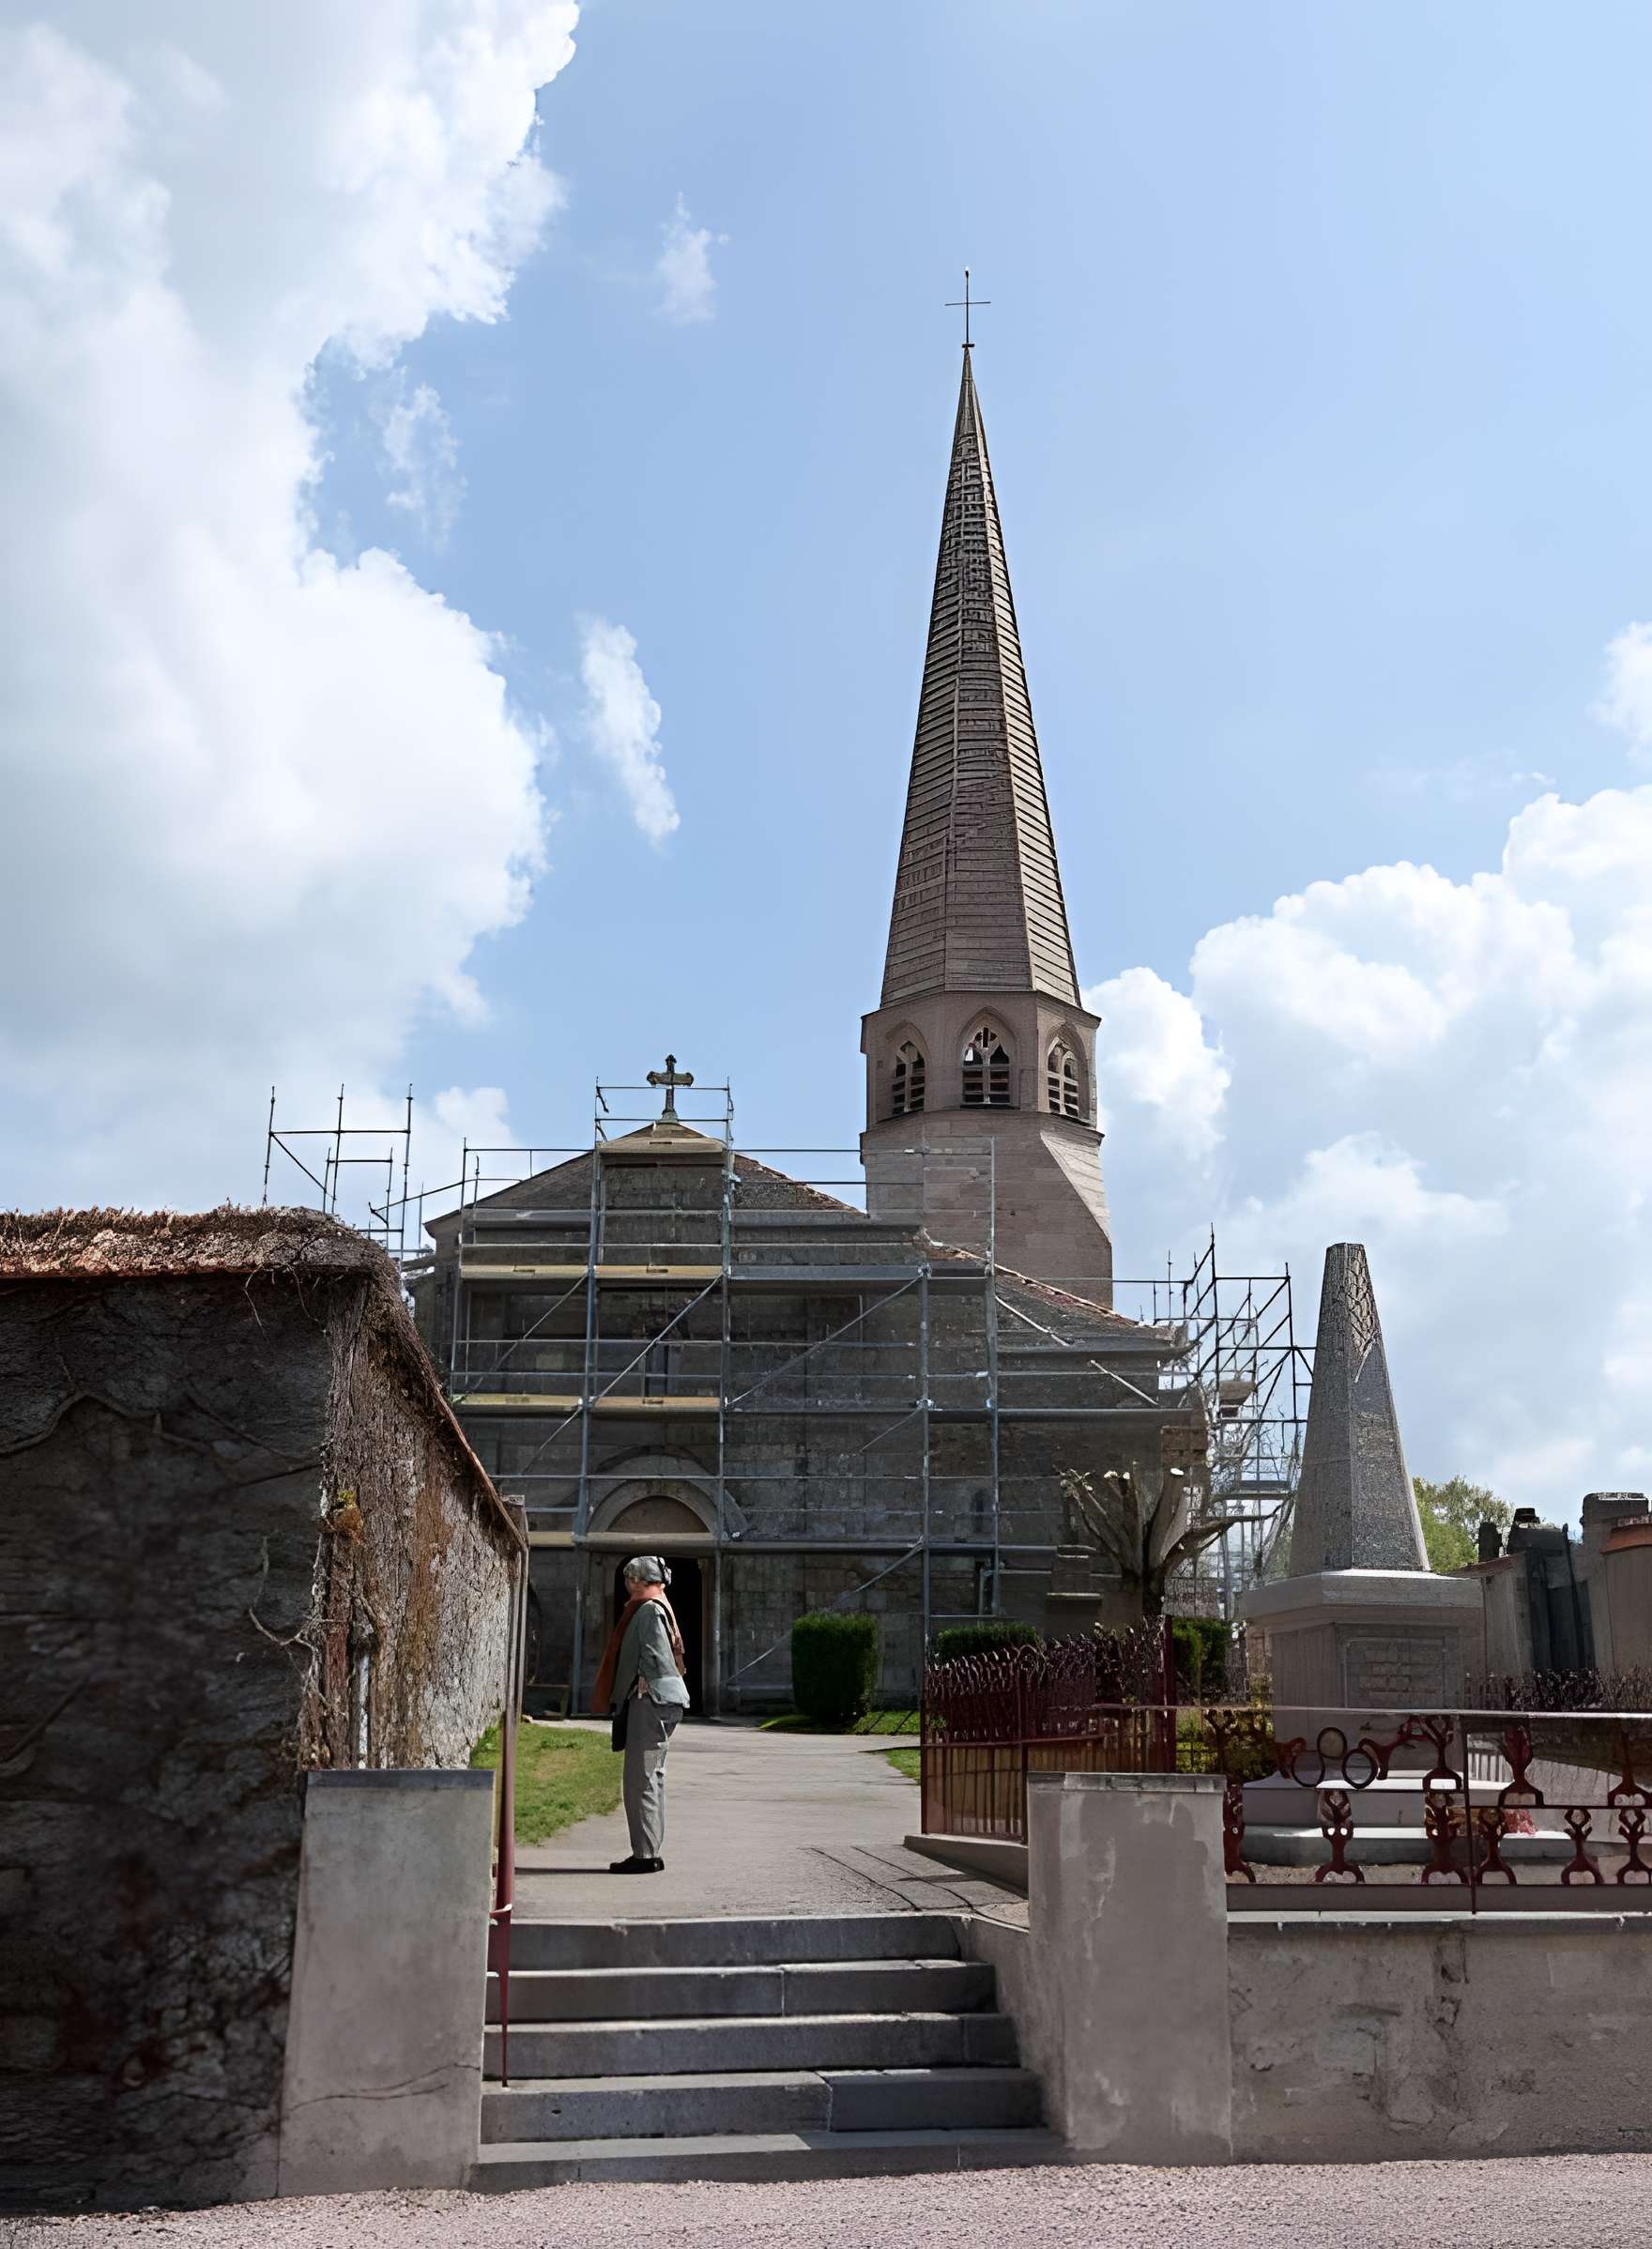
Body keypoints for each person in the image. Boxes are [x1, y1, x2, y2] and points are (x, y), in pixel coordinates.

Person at [590, 1554, 689, 1874]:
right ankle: (650, 1851)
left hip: (650, 1701)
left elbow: (654, 1658)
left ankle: (645, 1856)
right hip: (664, 1700)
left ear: (635, 1581)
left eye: (628, 1580)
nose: (626, 1586)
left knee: (640, 1780)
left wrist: (635, 1690)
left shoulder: (647, 1610)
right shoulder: (661, 1605)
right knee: (653, 1778)